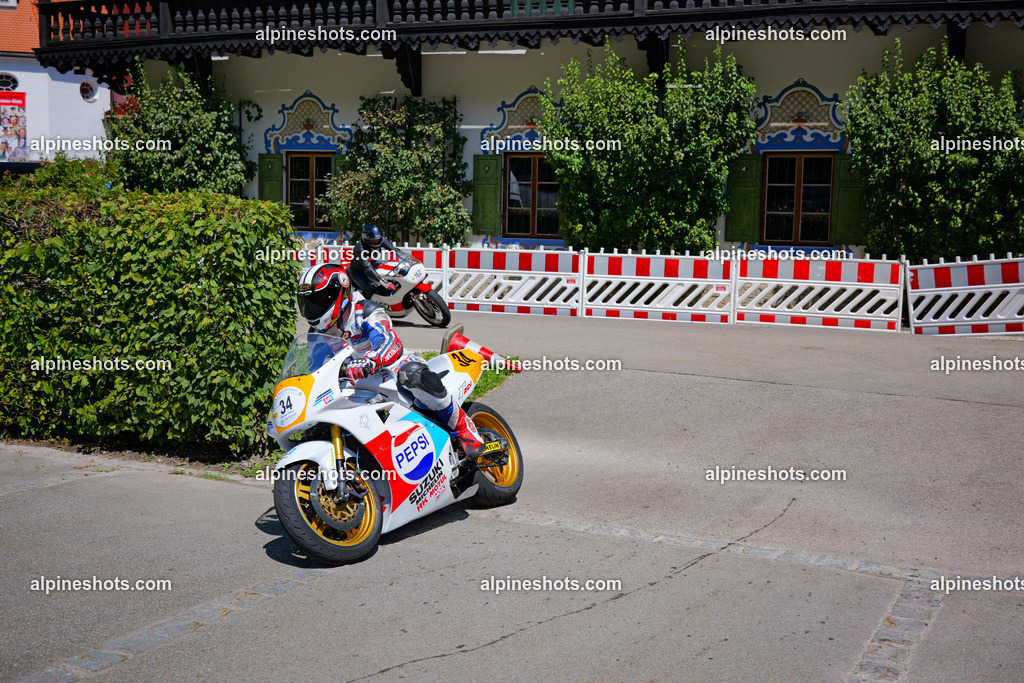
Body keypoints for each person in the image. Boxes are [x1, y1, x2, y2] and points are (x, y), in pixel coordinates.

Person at [296, 263, 486, 458]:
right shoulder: (317, 333)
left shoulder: (365, 311)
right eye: (308, 303)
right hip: (357, 386)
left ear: (340, 293)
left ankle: (465, 429)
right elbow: (316, 368)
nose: (313, 308)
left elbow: (389, 341)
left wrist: (371, 360)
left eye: (318, 300)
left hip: (392, 369)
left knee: (411, 375)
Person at [347, 223, 400, 298]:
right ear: (366, 238)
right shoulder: (360, 248)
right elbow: (368, 268)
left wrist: (404, 257)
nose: (376, 242)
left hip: (372, 266)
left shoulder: (380, 240)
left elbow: (393, 249)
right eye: (373, 240)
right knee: (370, 290)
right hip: (358, 272)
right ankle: (364, 306)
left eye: (377, 240)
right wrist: (383, 282)